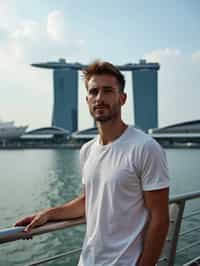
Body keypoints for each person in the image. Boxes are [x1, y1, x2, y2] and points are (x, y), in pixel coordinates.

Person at [15, 60, 169, 266]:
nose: (99, 98)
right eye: (94, 91)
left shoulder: (145, 147)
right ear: (87, 99)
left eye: (107, 91)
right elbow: (89, 201)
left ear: (122, 98)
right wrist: (48, 214)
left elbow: (160, 219)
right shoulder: (87, 150)